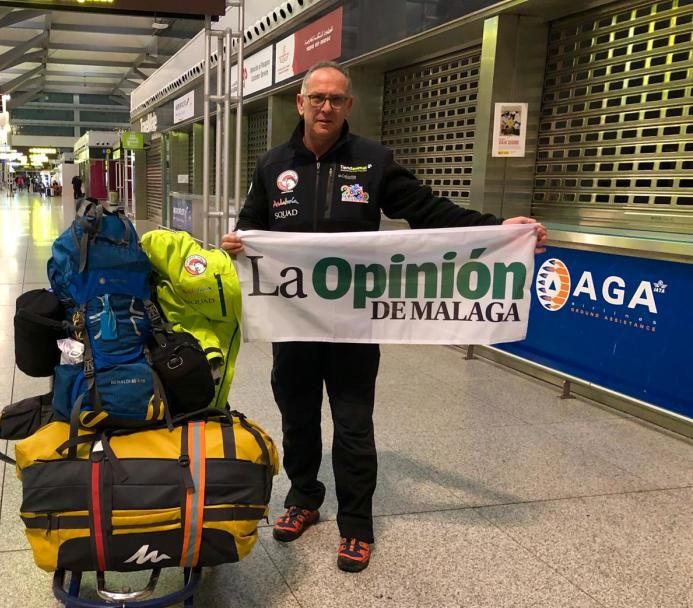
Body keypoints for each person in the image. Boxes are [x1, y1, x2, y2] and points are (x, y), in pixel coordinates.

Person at [222, 61, 547, 573]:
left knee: (353, 423)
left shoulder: (374, 162)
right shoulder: (272, 165)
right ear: (300, 103)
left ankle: (356, 523)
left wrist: (498, 229)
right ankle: (303, 498)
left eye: (336, 99)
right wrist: (239, 241)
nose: (326, 107)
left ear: (348, 106)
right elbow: (250, 224)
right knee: (298, 414)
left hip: (354, 324)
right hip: (294, 322)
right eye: (317, 98)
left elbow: (430, 211)